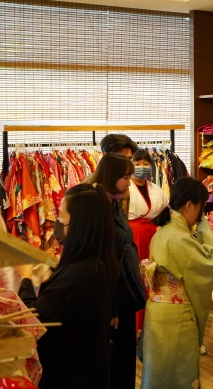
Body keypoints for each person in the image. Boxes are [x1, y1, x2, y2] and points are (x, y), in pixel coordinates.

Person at [18, 183, 119, 388]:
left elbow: (35, 321)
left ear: (79, 225)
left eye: (62, 218)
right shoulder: (96, 262)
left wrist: (25, 279)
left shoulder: (81, 273)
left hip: (70, 374)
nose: (58, 223)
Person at [138, 177, 213, 388]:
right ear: (189, 205)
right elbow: (212, 262)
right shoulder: (178, 237)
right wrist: (204, 230)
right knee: (177, 373)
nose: (200, 216)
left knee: (159, 372)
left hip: (157, 311)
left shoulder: (164, 231)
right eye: (200, 210)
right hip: (175, 314)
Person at [88, 153, 145, 389]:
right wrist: (110, 303)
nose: (130, 182)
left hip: (122, 294)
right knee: (117, 360)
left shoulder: (112, 203)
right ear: (111, 176)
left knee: (123, 358)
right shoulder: (97, 207)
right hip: (113, 298)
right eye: (125, 177)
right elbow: (100, 258)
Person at [128, 148, 168, 332]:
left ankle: (151, 321)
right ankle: (135, 322)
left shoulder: (155, 188)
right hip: (133, 234)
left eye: (145, 163)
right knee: (136, 277)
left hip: (153, 235)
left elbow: (164, 210)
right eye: (137, 164)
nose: (141, 167)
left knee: (152, 277)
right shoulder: (125, 187)